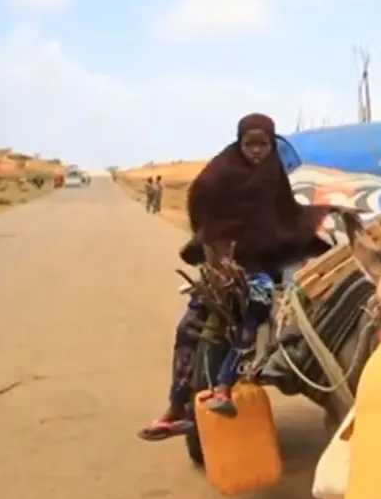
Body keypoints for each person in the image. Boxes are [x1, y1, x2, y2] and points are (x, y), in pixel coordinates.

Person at [138, 113, 342, 440]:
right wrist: (212, 247)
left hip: (262, 267)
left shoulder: (273, 173)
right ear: (239, 142)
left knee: (256, 310)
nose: (257, 151)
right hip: (223, 265)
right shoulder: (219, 173)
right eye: (250, 144)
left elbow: (287, 215)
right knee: (188, 327)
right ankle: (175, 406)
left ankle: (223, 387)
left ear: (272, 145)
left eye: (264, 145)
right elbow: (198, 203)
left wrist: (325, 212)